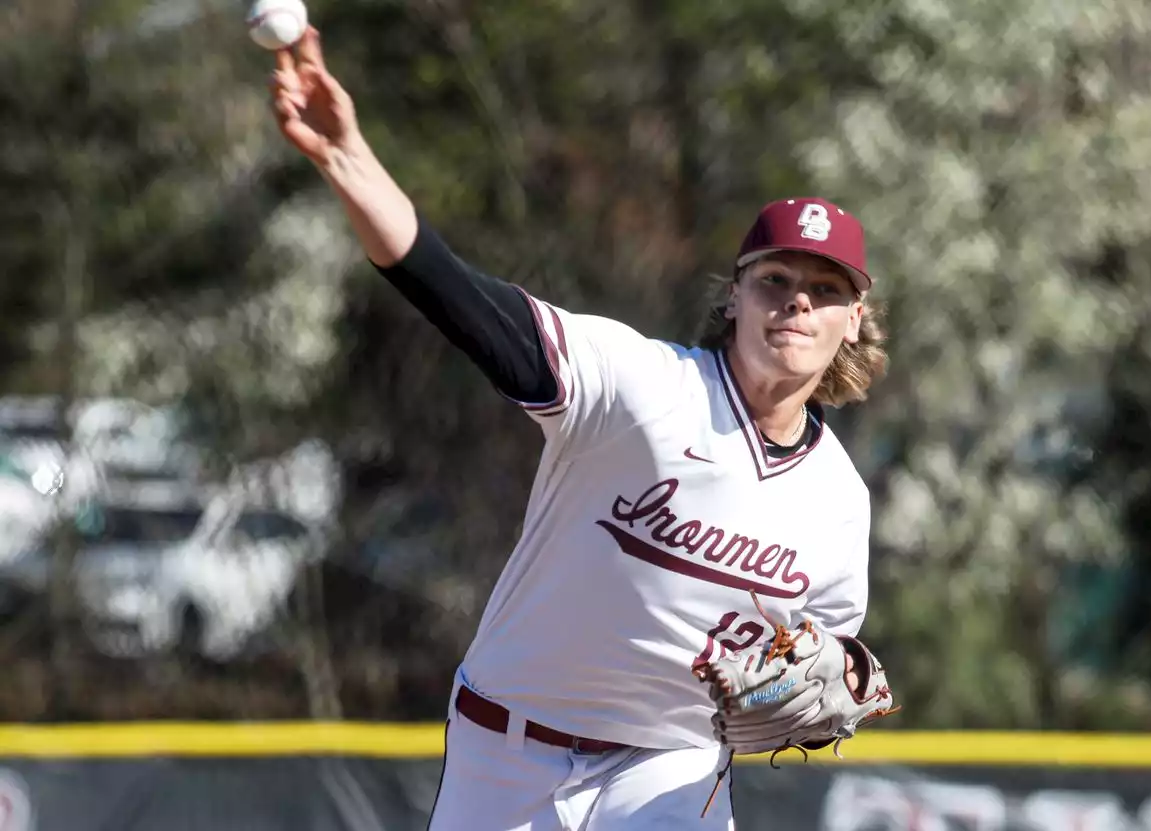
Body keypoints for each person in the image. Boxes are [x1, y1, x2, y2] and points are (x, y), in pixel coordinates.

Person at [269, 26, 890, 831]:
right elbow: (457, 296)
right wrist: (348, 158)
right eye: (775, 279)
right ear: (734, 296)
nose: (797, 301)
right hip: (508, 753)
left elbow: (827, 653)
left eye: (824, 289)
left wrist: (832, 675)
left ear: (853, 320)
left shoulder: (837, 501)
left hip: (670, 771)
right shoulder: (639, 386)